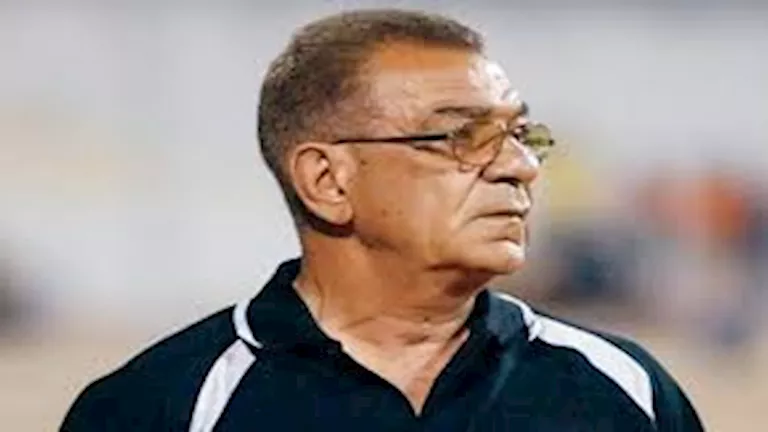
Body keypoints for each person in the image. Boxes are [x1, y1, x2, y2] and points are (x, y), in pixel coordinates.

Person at [61, 9, 704, 432]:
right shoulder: (160, 407)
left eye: (519, 134)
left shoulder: (622, 391)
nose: (521, 167)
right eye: (462, 136)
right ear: (327, 180)